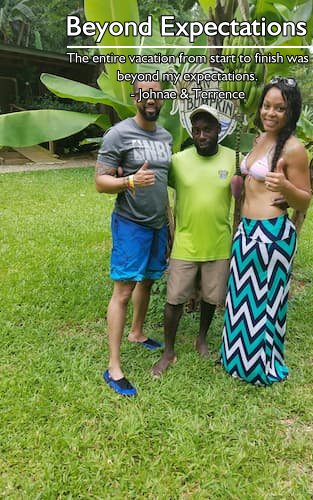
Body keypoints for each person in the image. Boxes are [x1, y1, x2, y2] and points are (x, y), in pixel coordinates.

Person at [220, 77, 312, 385]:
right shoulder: (261, 138)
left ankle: (260, 367)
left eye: (280, 108)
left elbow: (305, 199)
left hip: (271, 234)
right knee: (240, 299)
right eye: (266, 106)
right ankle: (236, 360)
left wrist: (285, 186)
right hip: (246, 230)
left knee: (264, 303)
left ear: (291, 111)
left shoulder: (294, 148)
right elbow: (250, 181)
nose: (270, 113)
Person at [95, 79, 172, 396]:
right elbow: (100, 182)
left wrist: (169, 220)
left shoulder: (166, 136)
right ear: (136, 97)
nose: (151, 100)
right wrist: (129, 181)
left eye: (157, 95)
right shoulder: (119, 133)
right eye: (145, 95)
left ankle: (137, 332)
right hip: (130, 223)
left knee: (148, 280)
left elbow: (165, 179)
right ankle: (114, 366)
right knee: (123, 290)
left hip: (157, 223)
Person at [151, 105, 236, 377]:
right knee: (174, 299)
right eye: (197, 130)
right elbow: (158, 182)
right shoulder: (179, 160)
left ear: (218, 131)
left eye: (207, 130)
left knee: (211, 297)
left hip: (219, 243)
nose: (201, 135)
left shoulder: (234, 159)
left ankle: (201, 339)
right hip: (185, 243)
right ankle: (169, 351)